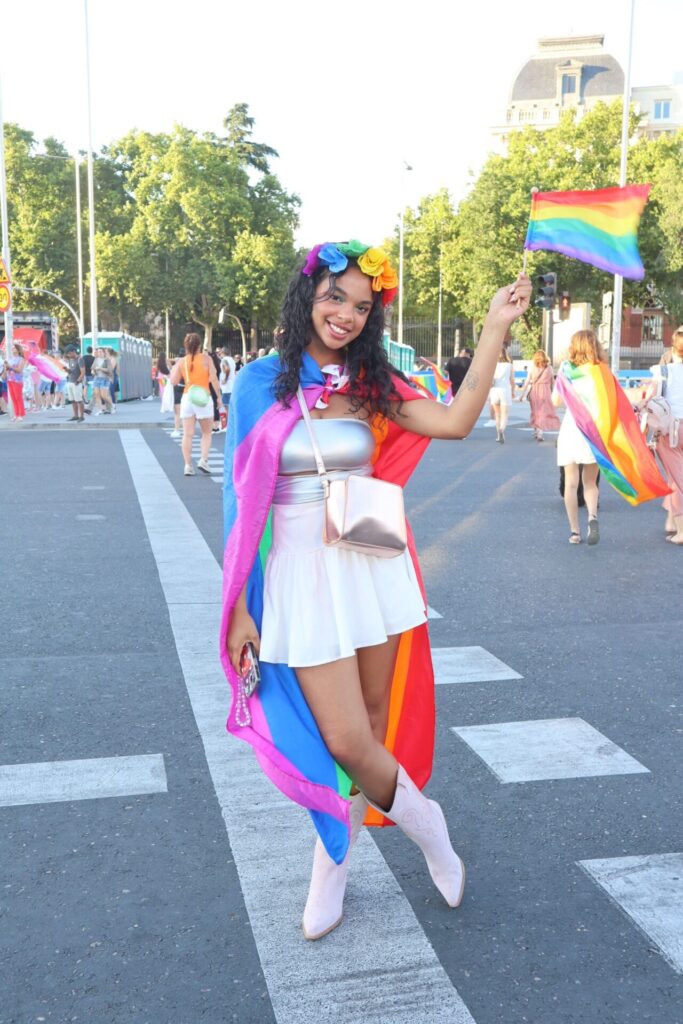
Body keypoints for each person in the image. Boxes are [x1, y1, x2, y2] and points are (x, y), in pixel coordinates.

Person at [221, 240, 531, 941]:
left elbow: (453, 422)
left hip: (368, 562)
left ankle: (337, 858)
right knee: (344, 738)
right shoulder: (258, 383)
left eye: (362, 306)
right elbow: (239, 506)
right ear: (307, 297)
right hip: (300, 574)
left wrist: (492, 327)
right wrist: (239, 606)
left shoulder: (372, 382)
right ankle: (424, 826)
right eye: (335, 298)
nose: (346, 316)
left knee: (366, 722)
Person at [552, 331, 603, 544]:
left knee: (571, 484)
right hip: (593, 431)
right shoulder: (601, 371)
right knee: (590, 483)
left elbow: (555, 401)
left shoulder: (566, 371)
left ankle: (575, 532)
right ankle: (592, 516)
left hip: (572, 428)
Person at [169, 333, 223, 476]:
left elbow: (173, 381)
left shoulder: (182, 361)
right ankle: (203, 460)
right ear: (199, 345)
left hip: (187, 397)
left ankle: (187, 466)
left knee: (187, 435)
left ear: (186, 346)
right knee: (206, 433)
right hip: (203, 398)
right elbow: (214, 379)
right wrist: (218, 397)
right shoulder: (207, 359)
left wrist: (176, 365)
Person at [649, 326, 683, 543]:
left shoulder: (663, 371)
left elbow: (652, 398)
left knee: (678, 478)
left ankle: (681, 530)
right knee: (676, 475)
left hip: (671, 429)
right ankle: (671, 520)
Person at [519, 349, 560, 441]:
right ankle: (539, 433)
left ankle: (537, 430)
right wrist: (554, 393)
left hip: (534, 391)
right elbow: (552, 383)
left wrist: (522, 394)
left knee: (535, 411)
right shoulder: (549, 368)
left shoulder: (532, 367)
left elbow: (526, 381)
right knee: (543, 412)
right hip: (545, 391)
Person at [488, 344, 515, 443]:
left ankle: (498, 436)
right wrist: (513, 391)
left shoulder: (493, 365)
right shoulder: (509, 365)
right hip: (505, 390)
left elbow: (490, 380)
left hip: (495, 390)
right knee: (505, 414)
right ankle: (502, 429)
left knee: (497, 414)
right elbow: (512, 380)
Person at [5, 342, 27, 421]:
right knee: (13, 398)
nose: (13, 350)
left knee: (18, 397)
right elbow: (8, 369)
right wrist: (6, 367)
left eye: (14, 348)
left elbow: (19, 370)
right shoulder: (10, 359)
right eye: (13, 348)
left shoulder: (21, 359)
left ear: (18, 350)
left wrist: (10, 367)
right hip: (10, 380)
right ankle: (16, 414)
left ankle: (21, 414)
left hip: (17, 380)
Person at [91, 347, 114, 415]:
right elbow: (92, 368)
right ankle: (100, 409)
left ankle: (112, 405)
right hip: (96, 378)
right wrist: (93, 371)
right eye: (98, 352)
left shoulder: (107, 360)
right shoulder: (96, 359)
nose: (99, 353)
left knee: (104, 395)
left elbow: (110, 371)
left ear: (104, 353)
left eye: (100, 351)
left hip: (105, 379)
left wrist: (100, 368)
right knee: (97, 395)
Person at [65, 348, 86, 422]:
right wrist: (67, 370)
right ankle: (75, 415)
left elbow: (83, 372)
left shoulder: (80, 359)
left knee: (79, 400)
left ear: (74, 352)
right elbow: (71, 371)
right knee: (73, 400)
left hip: (77, 382)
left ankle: (82, 416)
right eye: (68, 354)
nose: (69, 355)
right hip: (70, 381)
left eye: (69, 353)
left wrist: (78, 381)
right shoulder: (70, 360)